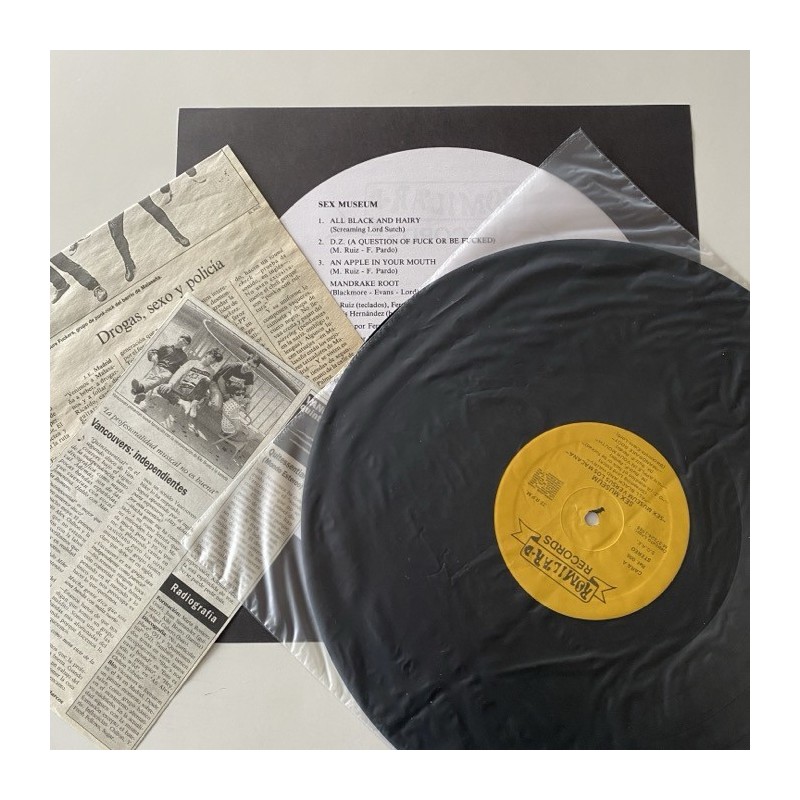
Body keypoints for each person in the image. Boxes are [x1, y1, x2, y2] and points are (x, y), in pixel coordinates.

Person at [157, 347, 224, 419]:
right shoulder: (192, 363)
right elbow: (179, 373)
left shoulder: (211, 371)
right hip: (180, 390)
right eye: (213, 357)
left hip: (192, 395)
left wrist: (202, 398)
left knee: (207, 380)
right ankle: (183, 402)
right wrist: (170, 384)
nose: (213, 361)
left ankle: (193, 403)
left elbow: (204, 387)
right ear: (207, 354)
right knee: (161, 389)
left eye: (215, 360)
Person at [131, 334, 192, 403]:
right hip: (158, 366)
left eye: (185, 343)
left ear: (186, 345)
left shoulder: (183, 356)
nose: (183, 343)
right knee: (150, 376)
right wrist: (153, 356)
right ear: (179, 338)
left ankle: (139, 389)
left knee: (158, 378)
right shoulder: (166, 347)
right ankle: (139, 394)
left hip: (168, 372)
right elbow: (153, 351)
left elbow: (185, 367)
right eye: (183, 340)